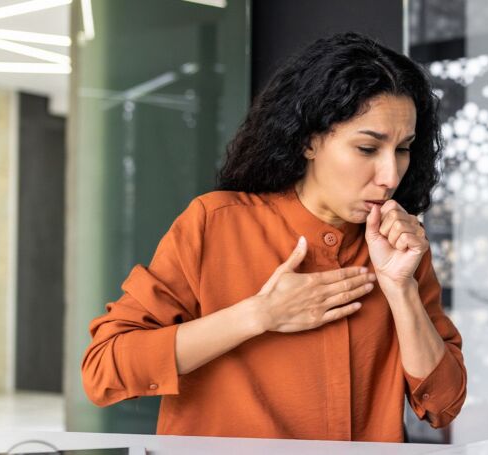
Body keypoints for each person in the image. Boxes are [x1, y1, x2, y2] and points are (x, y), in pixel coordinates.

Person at [81, 32, 467, 442]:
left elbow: (443, 405)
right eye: (368, 149)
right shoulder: (215, 224)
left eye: (403, 149)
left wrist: (402, 290)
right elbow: (104, 369)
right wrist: (258, 315)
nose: (390, 176)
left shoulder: (401, 249)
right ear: (310, 141)